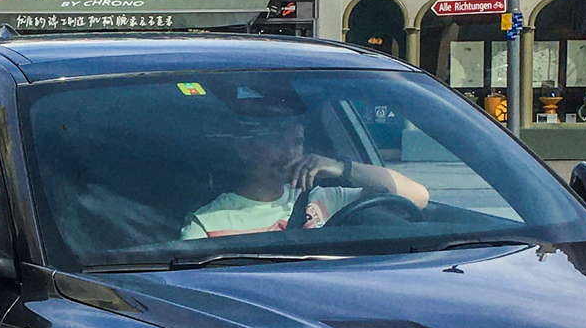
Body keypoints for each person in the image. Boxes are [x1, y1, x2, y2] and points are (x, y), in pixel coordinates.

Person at [182, 91, 430, 238]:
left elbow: (418, 197)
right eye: (277, 141)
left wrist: (342, 168)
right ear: (244, 149)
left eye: (297, 142)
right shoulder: (208, 222)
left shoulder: (323, 199)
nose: (289, 152)